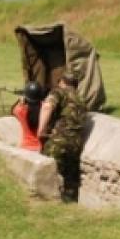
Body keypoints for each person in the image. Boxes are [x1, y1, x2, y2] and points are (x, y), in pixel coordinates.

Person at [36, 71, 88, 202]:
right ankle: (70, 202)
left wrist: (41, 130)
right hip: (76, 144)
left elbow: (47, 106)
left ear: (62, 82)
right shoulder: (81, 98)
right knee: (70, 178)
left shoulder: (59, 92)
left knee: (48, 172)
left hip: (59, 141)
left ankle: (47, 202)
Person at [10, 81, 45, 152]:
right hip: (42, 148)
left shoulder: (19, 111)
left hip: (26, 148)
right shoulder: (45, 111)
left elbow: (12, 110)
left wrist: (20, 101)